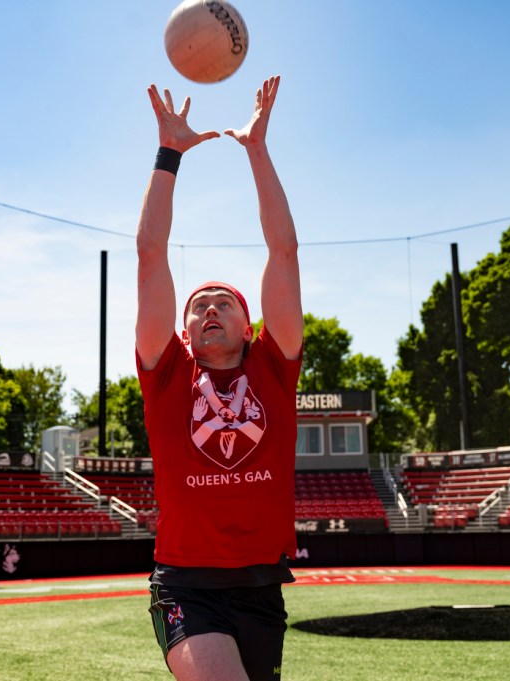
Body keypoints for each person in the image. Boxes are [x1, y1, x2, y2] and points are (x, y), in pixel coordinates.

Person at [136, 75, 303, 681]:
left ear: (248, 321)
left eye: (222, 302)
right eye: (198, 305)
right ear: (183, 333)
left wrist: (256, 150)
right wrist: (169, 154)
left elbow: (283, 251)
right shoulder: (166, 376)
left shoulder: (274, 367)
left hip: (262, 585)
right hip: (186, 584)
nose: (208, 309)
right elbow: (150, 256)